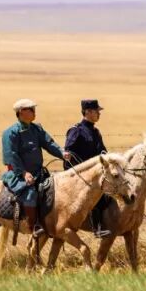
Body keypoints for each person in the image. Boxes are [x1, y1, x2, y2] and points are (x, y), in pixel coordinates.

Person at [1, 99, 71, 237]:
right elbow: (12, 156)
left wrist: (62, 153)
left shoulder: (36, 129)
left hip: (38, 173)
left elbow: (48, 143)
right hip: (17, 174)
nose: (34, 112)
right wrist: (24, 173)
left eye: (34, 109)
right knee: (30, 194)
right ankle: (34, 226)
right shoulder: (10, 133)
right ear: (21, 112)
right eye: (31, 109)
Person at [64, 99, 111, 238]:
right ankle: (97, 227)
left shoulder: (96, 132)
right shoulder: (76, 131)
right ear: (88, 112)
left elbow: (103, 152)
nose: (99, 114)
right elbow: (69, 155)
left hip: (97, 175)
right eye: (97, 111)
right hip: (80, 176)